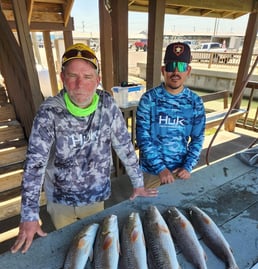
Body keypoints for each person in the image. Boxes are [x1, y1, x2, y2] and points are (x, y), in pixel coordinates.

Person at [11, 43, 157, 254]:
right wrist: (29, 215)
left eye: (88, 77)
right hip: (60, 202)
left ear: (97, 80)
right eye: (72, 76)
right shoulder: (49, 112)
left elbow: (124, 145)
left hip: (95, 198)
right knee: (71, 252)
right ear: (62, 78)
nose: (80, 84)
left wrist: (138, 184)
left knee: (98, 250)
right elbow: (35, 166)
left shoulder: (107, 105)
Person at [136, 42, 206, 188]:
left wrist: (188, 166)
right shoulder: (148, 99)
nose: (175, 72)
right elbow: (143, 137)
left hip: (179, 171)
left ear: (188, 70)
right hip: (151, 171)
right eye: (170, 67)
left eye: (181, 67)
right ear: (163, 70)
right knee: (147, 208)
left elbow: (198, 138)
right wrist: (160, 169)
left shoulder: (195, 102)